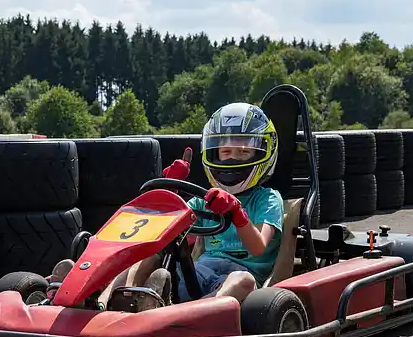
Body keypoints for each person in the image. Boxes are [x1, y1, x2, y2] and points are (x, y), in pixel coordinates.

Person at [48, 102, 284, 312]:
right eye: (225, 152)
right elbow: (165, 233)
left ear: (263, 153)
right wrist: (171, 195)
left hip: (234, 284)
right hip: (198, 273)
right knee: (149, 253)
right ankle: (104, 300)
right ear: (213, 153)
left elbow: (258, 247)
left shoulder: (268, 199)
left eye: (243, 152)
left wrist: (237, 213)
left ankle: (196, 316)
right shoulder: (204, 200)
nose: (232, 159)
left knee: (243, 279)